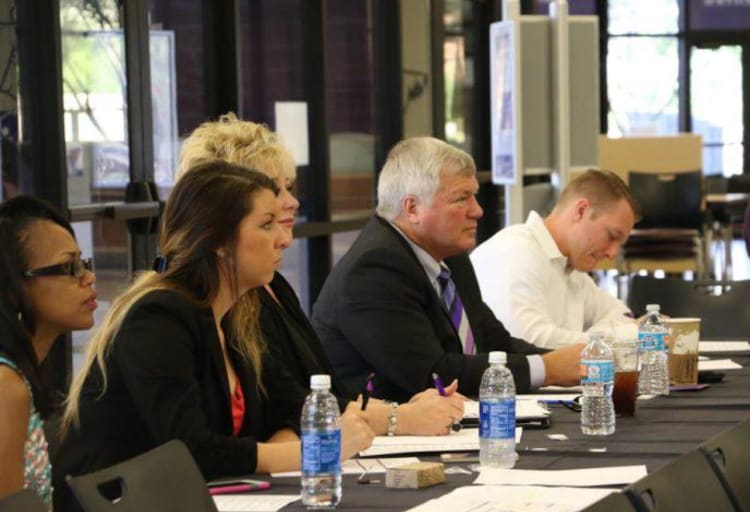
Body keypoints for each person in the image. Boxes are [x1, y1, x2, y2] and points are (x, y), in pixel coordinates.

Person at [53, 161, 374, 512]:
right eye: (266, 224)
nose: (284, 240)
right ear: (219, 241)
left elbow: (295, 407)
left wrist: (282, 452)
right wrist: (312, 451)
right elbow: (190, 450)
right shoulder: (157, 318)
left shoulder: (235, 315)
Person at [175, 114, 463, 435]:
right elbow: (289, 409)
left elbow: (319, 393)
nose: (292, 202)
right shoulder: (210, 305)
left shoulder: (272, 285)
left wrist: (402, 411)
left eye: (288, 188)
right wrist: (400, 418)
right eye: (275, 191)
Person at [311, 137, 582, 403]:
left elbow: (493, 342)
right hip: (386, 437)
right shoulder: (373, 270)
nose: (478, 211)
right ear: (413, 208)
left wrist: (567, 363)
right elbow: (435, 374)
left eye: (474, 196)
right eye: (461, 198)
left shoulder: (450, 257)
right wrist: (547, 369)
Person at [471, 170, 640, 349]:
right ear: (581, 211)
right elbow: (529, 344)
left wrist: (609, 335)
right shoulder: (517, 253)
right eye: (611, 235)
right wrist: (619, 337)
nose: (612, 253)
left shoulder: (569, 265)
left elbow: (622, 314)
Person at [0, 196, 97, 509]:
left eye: (83, 263)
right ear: (15, 286)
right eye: (69, 267)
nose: (89, 277)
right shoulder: (5, 386)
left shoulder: (22, 373)